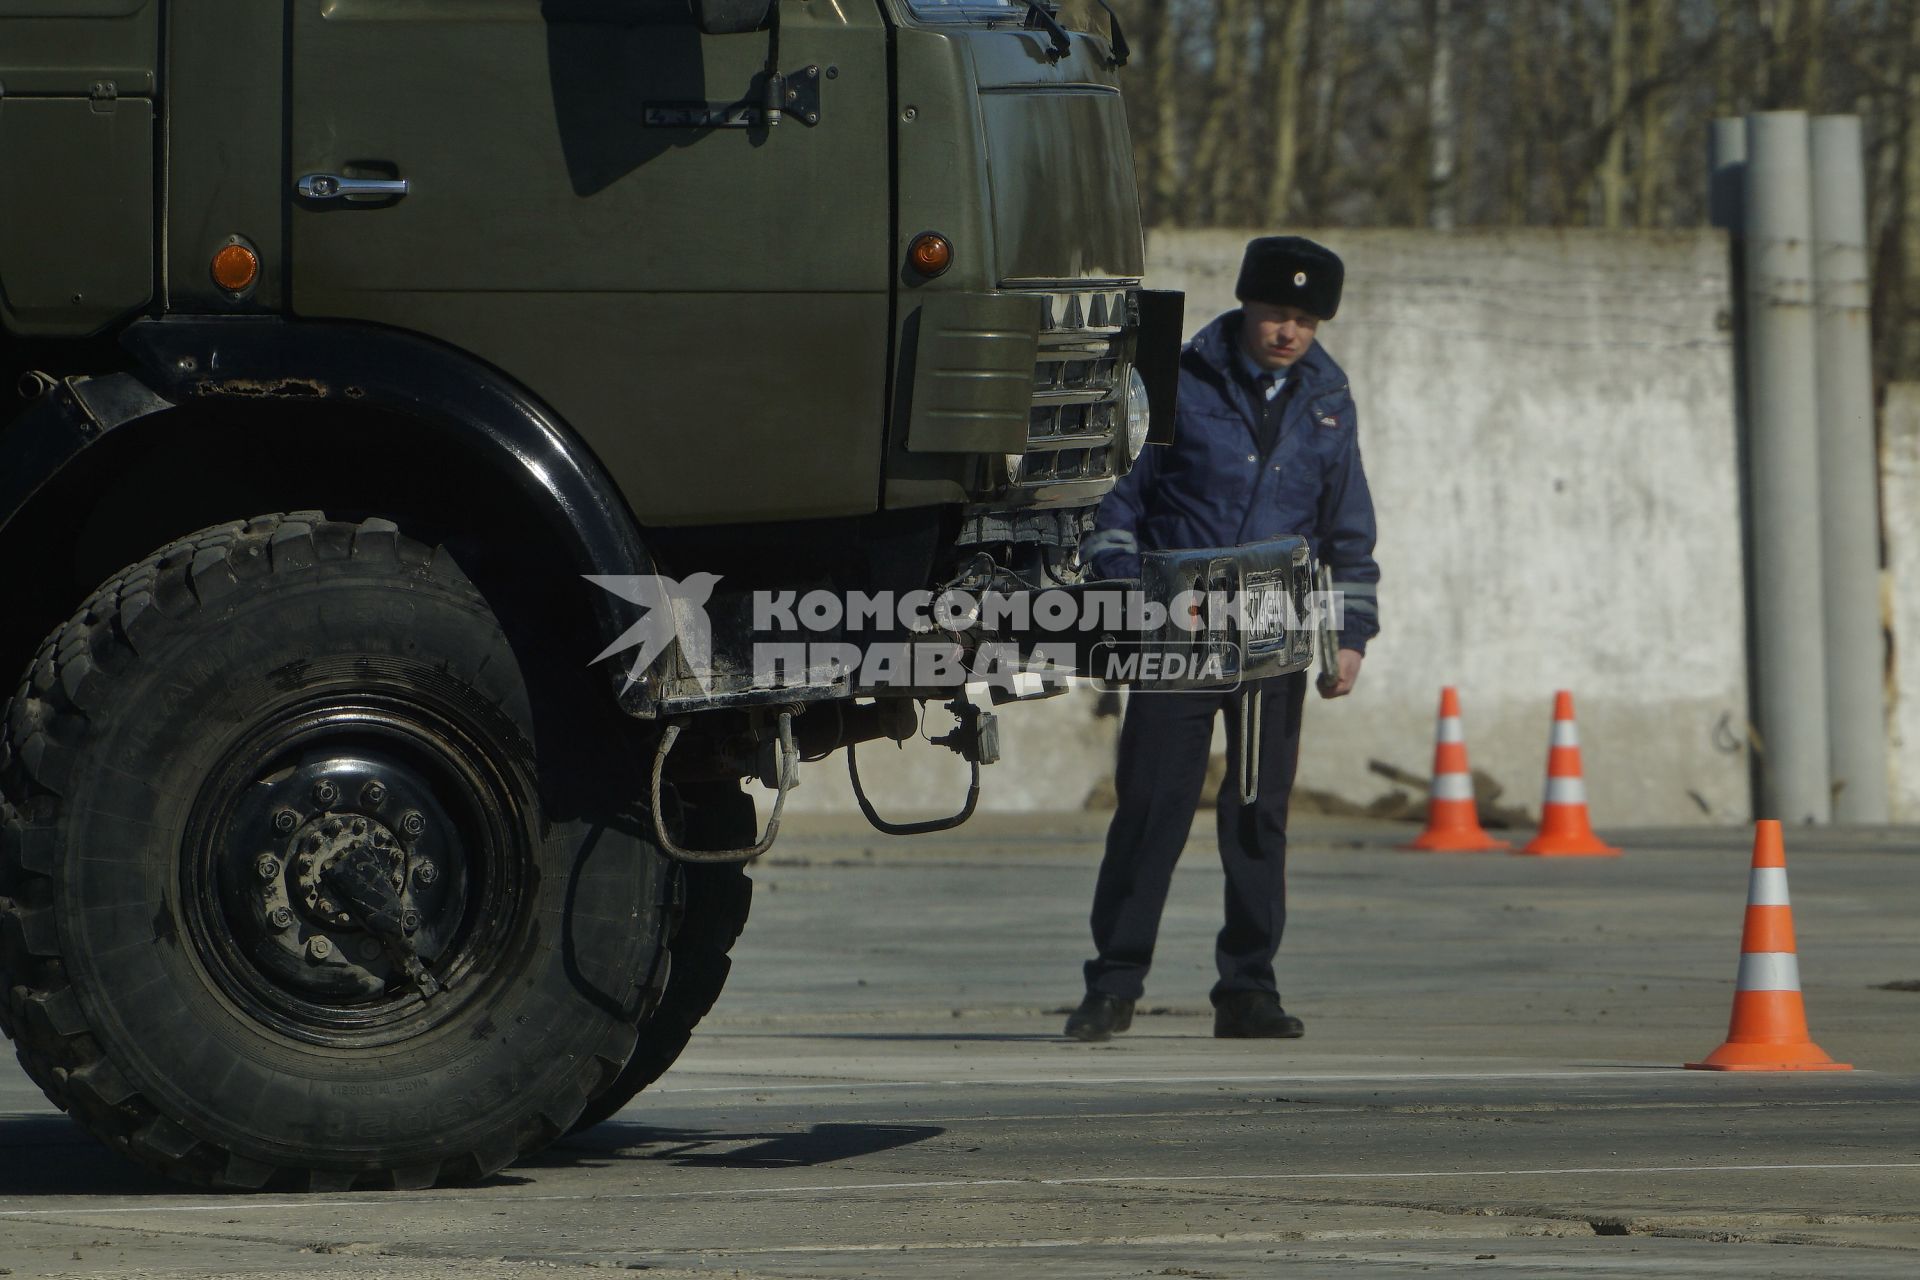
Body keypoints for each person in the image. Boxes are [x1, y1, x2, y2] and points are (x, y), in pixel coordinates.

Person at [1065, 235, 1379, 1042]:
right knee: (1152, 809)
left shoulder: (1328, 403)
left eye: (1305, 320)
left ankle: (1248, 990)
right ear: (1246, 305)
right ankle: (1114, 984)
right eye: (1277, 312)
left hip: (1273, 637)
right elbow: (1116, 501)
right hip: (1180, 626)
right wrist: (1122, 590)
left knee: (1255, 816)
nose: (1288, 332)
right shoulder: (1178, 381)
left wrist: (1348, 639)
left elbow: (1347, 531)